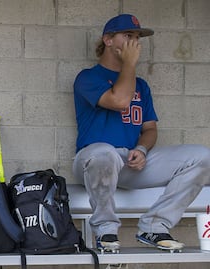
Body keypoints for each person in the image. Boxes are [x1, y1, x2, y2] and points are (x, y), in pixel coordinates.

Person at [72, 14, 210, 253]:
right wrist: (130, 64)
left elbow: (149, 129)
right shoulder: (87, 77)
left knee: (202, 157)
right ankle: (105, 231)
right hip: (93, 162)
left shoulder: (141, 85)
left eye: (137, 37)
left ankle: (155, 226)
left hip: (131, 163)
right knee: (105, 154)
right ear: (108, 40)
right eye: (128, 36)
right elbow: (119, 100)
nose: (135, 43)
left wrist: (142, 149)